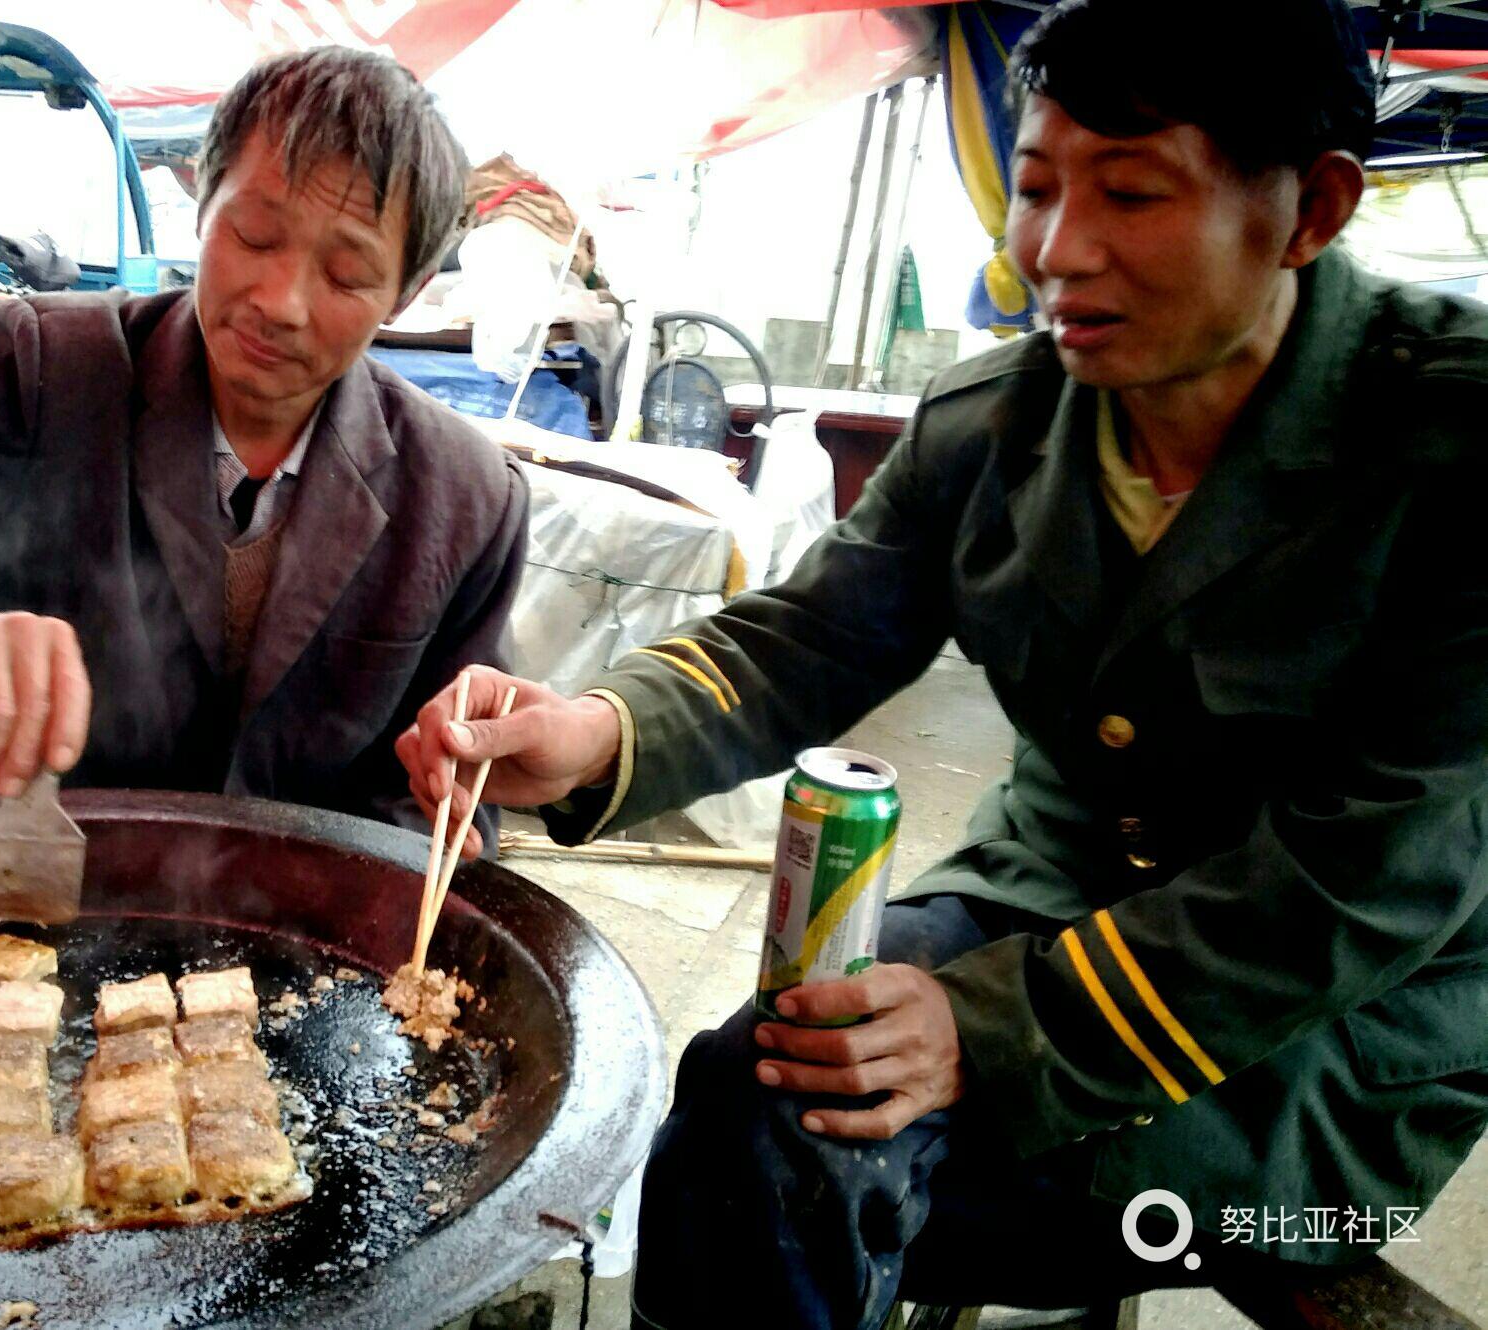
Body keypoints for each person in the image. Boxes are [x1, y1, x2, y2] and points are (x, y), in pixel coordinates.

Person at [399, 1, 1488, 1324]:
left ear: (1309, 210)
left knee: (801, 1163)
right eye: (1031, 188)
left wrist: (984, 1021)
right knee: (758, 1094)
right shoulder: (999, 427)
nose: (1054, 251)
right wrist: (591, 729)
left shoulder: (1442, 451)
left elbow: (1357, 880)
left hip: (1321, 1041)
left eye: (1131, 194)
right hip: (1042, 903)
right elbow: (800, 639)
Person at [0, 47, 526, 842]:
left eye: (346, 276)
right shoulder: (49, 372)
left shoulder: (462, 498)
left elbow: (451, 800)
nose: (282, 301)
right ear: (204, 201)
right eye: (255, 237)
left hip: (304, 951)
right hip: (20, 908)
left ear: (409, 291)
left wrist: (440, 806)